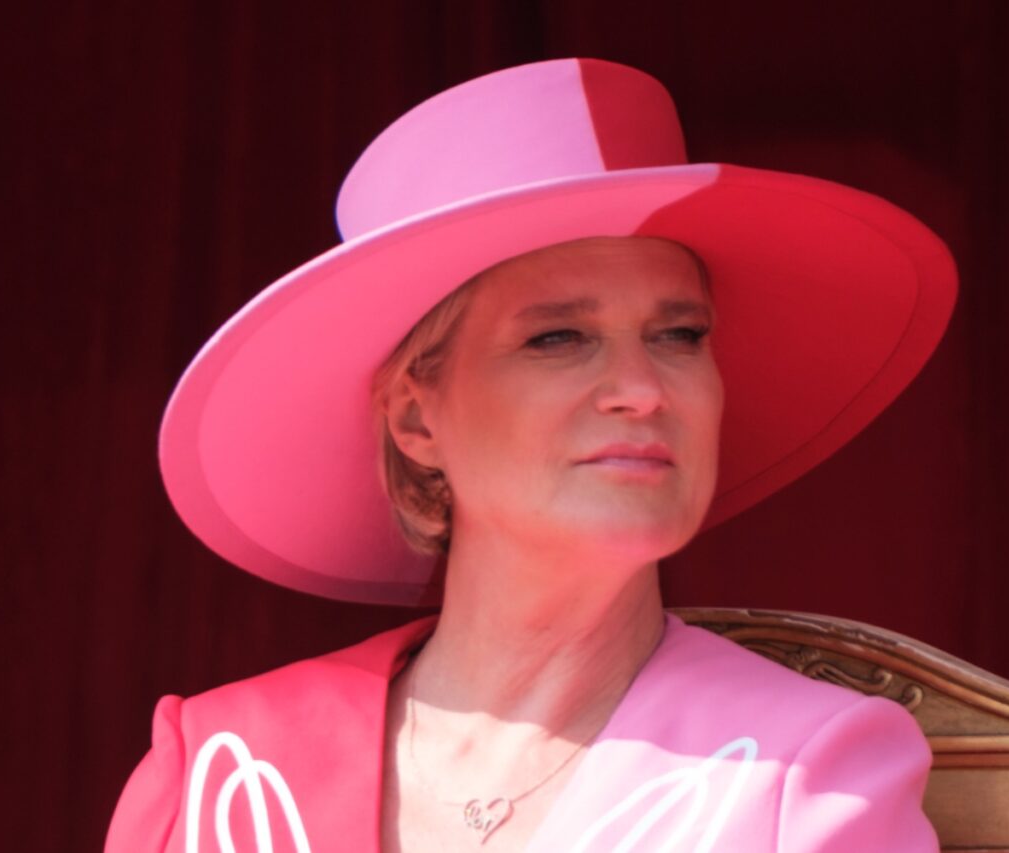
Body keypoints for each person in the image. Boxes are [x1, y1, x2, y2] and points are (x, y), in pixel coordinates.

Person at [107, 58, 956, 852]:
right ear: (416, 417)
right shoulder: (217, 768)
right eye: (557, 337)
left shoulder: (815, 770)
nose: (642, 388)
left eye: (679, 334)